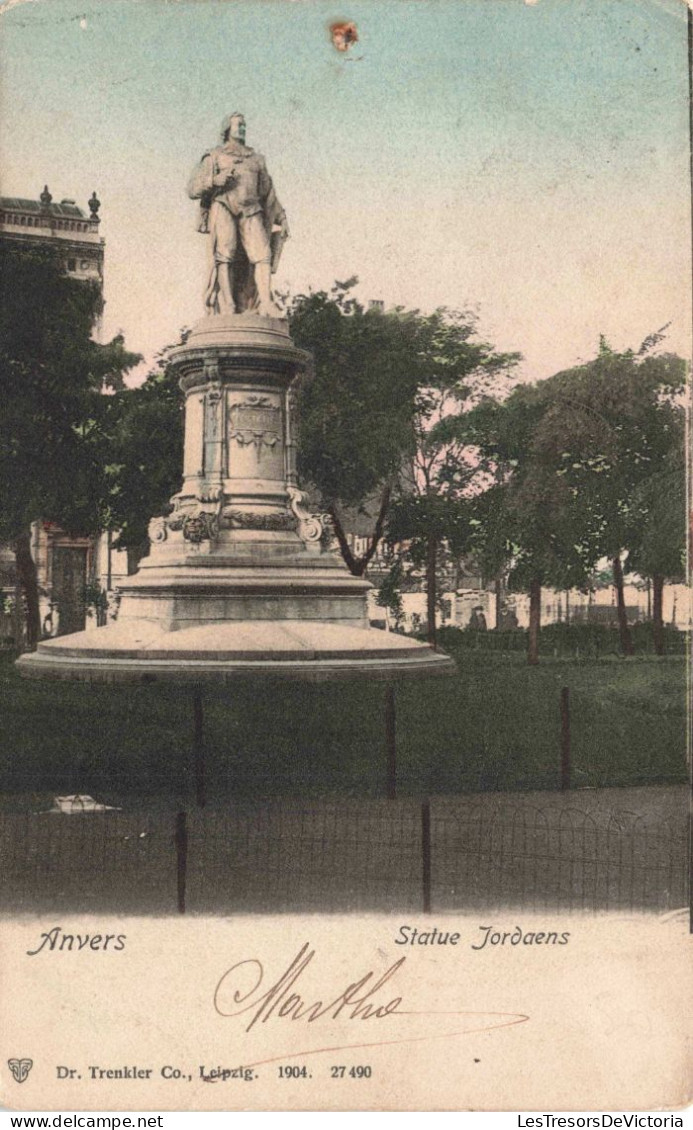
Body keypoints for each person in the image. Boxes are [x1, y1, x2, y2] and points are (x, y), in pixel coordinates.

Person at [188, 112, 289, 317]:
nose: (242, 129)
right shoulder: (215, 156)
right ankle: (228, 305)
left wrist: (282, 217)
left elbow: (268, 193)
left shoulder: (256, 159)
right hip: (223, 206)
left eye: (244, 125)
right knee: (225, 256)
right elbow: (193, 189)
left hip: (251, 210)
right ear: (227, 129)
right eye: (238, 125)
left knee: (262, 255)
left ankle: (266, 303)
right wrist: (215, 181)